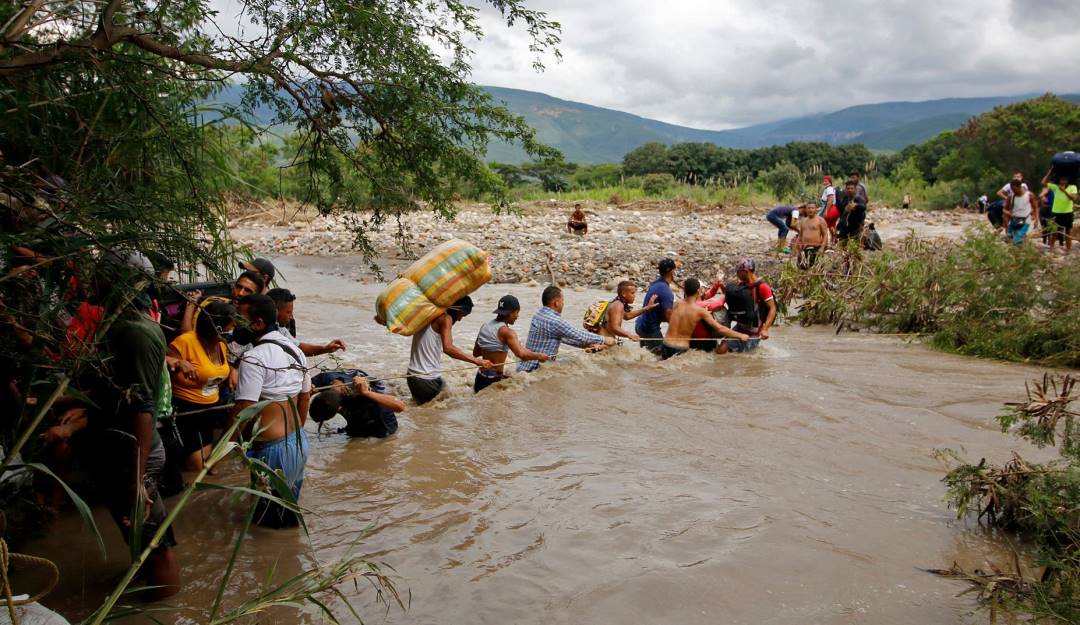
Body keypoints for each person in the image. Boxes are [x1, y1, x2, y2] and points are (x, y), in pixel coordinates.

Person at [94, 275, 180, 598]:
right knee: (140, 537)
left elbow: (142, 407)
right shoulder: (121, 325)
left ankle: (166, 612)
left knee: (155, 543)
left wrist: (137, 479)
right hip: (125, 449)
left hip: (135, 454)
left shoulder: (136, 332)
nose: (93, 279)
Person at [230, 293, 311, 528]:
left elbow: (243, 408)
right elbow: (305, 397)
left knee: (268, 524)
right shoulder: (294, 350)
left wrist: (223, 450)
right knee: (286, 518)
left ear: (258, 324)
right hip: (297, 443)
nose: (235, 323)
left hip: (272, 453)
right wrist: (297, 432)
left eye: (241, 318)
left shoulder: (254, 358)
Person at [167, 300, 235, 472]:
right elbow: (161, 359)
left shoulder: (221, 345)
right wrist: (178, 361)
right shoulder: (185, 342)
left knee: (208, 465)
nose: (234, 328)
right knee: (196, 467)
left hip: (210, 411)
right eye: (231, 324)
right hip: (186, 410)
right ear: (217, 326)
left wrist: (234, 370)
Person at [406, 296, 492, 404]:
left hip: (414, 376)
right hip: (425, 378)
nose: (460, 319)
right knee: (439, 415)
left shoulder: (429, 313)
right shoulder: (445, 318)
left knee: (435, 410)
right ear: (456, 310)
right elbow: (448, 348)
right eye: (462, 315)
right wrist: (477, 361)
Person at [517, 286, 614, 373]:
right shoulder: (555, 321)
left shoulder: (538, 315)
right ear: (556, 303)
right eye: (562, 301)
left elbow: (564, 338)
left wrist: (586, 346)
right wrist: (605, 339)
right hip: (535, 370)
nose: (563, 304)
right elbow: (580, 335)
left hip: (524, 368)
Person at [471, 295, 549, 392]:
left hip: (480, 377)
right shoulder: (507, 332)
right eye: (517, 312)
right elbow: (521, 354)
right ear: (510, 313)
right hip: (492, 380)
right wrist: (539, 356)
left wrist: (492, 354)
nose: (517, 316)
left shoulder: (485, 325)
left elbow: (476, 353)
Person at [659, 278, 749, 359]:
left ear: (684, 291)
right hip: (680, 349)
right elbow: (720, 329)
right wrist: (740, 335)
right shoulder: (700, 311)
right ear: (699, 292)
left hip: (665, 345)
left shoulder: (677, 304)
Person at [309, 370, 405, 438]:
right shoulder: (325, 380)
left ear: (339, 408)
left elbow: (400, 406)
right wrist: (308, 392)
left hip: (381, 426)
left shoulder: (361, 390)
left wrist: (366, 393)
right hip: (356, 416)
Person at [266, 288, 347, 356]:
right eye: (288, 312)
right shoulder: (263, 332)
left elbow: (299, 347)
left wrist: (326, 349)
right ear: (275, 311)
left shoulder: (281, 329)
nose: (291, 317)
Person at [723, 258, 777, 353]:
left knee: (746, 358)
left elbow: (772, 308)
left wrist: (765, 329)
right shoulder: (740, 285)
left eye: (738, 271)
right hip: (740, 327)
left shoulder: (763, 287)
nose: (737, 274)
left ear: (745, 271)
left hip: (755, 331)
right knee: (721, 350)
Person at [587, 281, 659, 342]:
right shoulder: (618, 305)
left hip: (605, 339)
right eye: (632, 293)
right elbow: (614, 327)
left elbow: (627, 316)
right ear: (624, 293)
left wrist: (647, 308)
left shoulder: (617, 303)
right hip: (604, 340)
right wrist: (630, 335)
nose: (634, 296)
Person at [635, 258, 677, 354]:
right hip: (649, 330)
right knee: (662, 358)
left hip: (639, 324)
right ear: (672, 272)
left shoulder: (656, 284)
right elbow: (668, 315)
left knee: (646, 356)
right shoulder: (666, 290)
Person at [1040, 170, 1077, 254]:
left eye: (1064, 180)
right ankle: (1051, 249)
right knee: (1054, 231)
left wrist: (1064, 190)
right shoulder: (1055, 187)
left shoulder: (1073, 187)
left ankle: (1068, 249)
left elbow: (1074, 198)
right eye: (1061, 179)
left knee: (1068, 231)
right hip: (1056, 212)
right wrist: (1050, 172)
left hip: (1068, 212)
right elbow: (1043, 183)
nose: (1063, 181)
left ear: (1068, 180)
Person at [1003, 179, 1039, 246]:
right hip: (1014, 220)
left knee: (1017, 241)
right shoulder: (1011, 196)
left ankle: (1017, 252)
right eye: (1012, 190)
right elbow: (1004, 209)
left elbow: (1036, 207)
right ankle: (1017, 252)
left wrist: (1036, 219)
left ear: (1020, 187)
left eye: (1015, 189)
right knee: (1009, 238)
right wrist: (1008, 213)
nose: (1014, 191)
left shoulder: (1030, 195)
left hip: (1025, 220)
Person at [794, 201, 829, 268]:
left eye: (812, 208)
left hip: (816, 248)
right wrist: (797, 246)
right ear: (806, 209)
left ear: (816, 209)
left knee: (816, 269)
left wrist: (822, 248)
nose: (810, 210)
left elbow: (825, 235)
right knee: (802, 268)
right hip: (804, 249)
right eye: (809, 208)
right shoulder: (803, 220)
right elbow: (800, 235)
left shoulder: (820, 220)